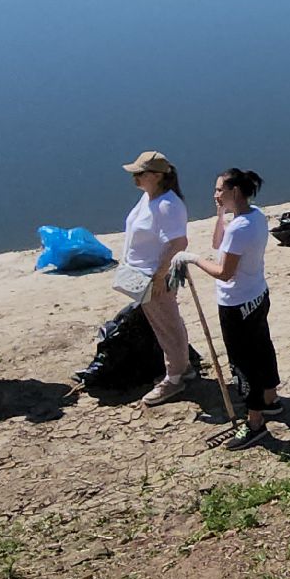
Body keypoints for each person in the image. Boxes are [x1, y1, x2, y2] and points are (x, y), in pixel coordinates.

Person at [172, 168, 278, 451]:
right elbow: (219, 243)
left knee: (244, 363)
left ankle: (255, 422)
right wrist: (220, 214)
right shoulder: (254, 217)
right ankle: (270, 400)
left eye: (220, 190)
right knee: (263, 348)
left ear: (235, 191)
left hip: (237, 305)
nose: (215, 194)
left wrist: (191, 258)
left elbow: (224, 272)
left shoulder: (241, 228)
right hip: (257, 296)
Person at [120, 151, 194, 406]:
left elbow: (178, 243)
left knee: (167, 325)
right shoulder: (148, 198)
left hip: (155, 277)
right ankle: (182, 366)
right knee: (165, 321)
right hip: (142, 275)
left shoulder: (167, 205)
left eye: (140, 174)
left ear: (157, 176)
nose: (135, 178)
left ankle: (174, 379)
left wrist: (159, 276)